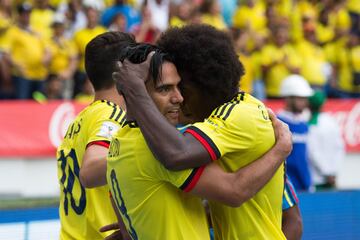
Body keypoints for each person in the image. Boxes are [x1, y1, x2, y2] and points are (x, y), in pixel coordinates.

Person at [113, 25, 288, 240]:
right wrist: (147, 215)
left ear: (204, 83)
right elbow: (220, 206)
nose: (179, 98)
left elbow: (179, 156)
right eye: (166, 88)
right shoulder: (236, 112)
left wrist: (281, 150)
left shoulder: (238, 116)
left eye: (182, 88)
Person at [56, 31, 135, 240]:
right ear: (125, 71)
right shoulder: (111, 115)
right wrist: (143, 153)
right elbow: (91, 169)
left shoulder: (81, 119)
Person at [278, 74, 313, 192]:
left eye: (305, 98)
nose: (304, 102)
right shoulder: (277, 122)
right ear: (288, 98)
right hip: (284, 187)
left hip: (303, 187)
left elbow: (304, 158)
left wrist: (308, 182)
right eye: (300, 98)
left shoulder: (303, 124)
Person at [307, 90, 345, 190]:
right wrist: (333, 171)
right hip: (331, 176)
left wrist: (327, 173)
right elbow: (340, 147)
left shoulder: (312, 124)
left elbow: (313, 152)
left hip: (317, 179)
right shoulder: (332, 121)